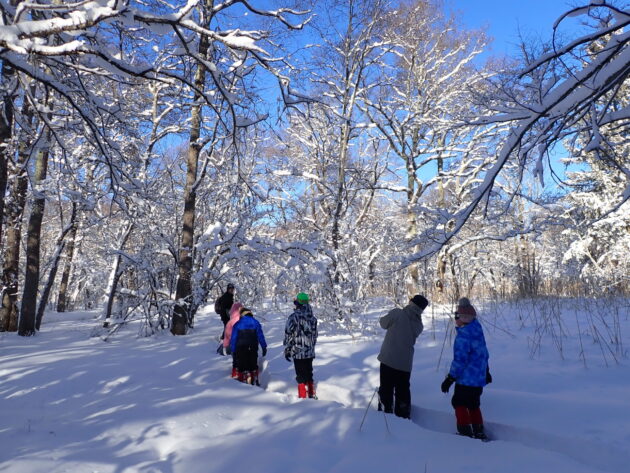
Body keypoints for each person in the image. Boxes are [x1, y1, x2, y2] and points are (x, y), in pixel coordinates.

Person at [440, 297, 492, 440]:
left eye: (457, 316)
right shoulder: (477, 329)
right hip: (478, 380)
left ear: (463, 318)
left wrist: (450, 379)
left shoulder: (463, 336)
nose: (455, 319)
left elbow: (460, 361)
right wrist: (486, 371)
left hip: (465, 380)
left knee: (459, 403)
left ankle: (465, 432)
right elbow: (483, 353)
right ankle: (479, 431)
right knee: (474, 404)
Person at [377, 294, 428, 419]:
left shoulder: (397, 313)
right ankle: (403, 416)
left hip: (388, 359)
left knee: (386, 388)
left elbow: (383, 323)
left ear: (411, 302)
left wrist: (390, 314)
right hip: (405, 364)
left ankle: (384, 415)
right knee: (403, 390)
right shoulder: (419, 325)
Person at [283, 293, 318, 399]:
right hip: (310, 352)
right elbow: (315, 335)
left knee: (300, 375)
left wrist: (288, 349)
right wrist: (310, 347)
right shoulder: (313, 318)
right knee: (309, 373)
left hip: (298, 352)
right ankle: (311, 394)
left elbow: (288, 333)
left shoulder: (294, 317)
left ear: (298, 303)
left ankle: (302, 397)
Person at [230, 307, 267, 385]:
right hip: (253, 346)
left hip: (240, 347)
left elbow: (233, 338)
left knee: (242, 364)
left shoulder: (237, 324)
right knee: (253, 363)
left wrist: (233, 350)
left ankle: (243, 378)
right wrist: (264, 347)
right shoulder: (256, 322)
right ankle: (254, 377)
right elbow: (260, 336)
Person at [223, 302, 244, 377]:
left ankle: (236, 372)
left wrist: (225, 346)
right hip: (246, 344)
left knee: (236, 359)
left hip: (235, 345)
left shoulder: (230, 322)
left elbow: (227, 335)